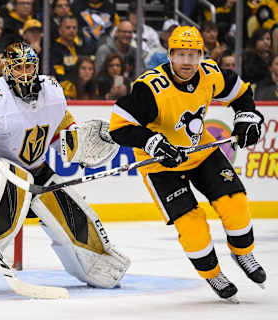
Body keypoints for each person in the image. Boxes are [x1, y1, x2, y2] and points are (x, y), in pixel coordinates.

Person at [0, 41, 130, 293]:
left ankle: (93, 261)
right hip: (3, 176)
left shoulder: (52, 90)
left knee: (71, 210)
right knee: (1, 222)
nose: (25, 73)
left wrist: (78, 141)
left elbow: (62, 126)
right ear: (7, 70)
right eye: (19, 68)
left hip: (38, 171)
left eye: (29, 66)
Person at [108, 26, 266, 302]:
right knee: (192, 226)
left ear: (201, 55)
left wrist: (246, 115)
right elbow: (119, 127)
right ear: (169, 55)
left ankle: (243, 253)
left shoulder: (210, 74)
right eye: (180, 54)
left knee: (236, 202)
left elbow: (239, 91)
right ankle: (213, 273)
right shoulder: (151, 88)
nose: (186, 62)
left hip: (200, 152)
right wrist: (152, 142)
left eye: (193, 55)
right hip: (160, 166)